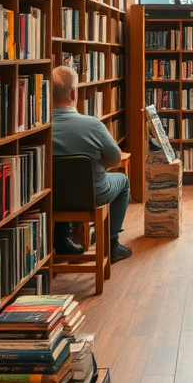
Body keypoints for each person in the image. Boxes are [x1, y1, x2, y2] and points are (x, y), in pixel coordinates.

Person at [52, 65, 132, 263]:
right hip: (94, 194)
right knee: (122, 181)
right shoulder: (92, 125)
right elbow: (115, 159)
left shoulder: (39, 127)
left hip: (50, 196)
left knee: (61, 179)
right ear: (74, 93)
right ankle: (112, 244)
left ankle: (62, 240)